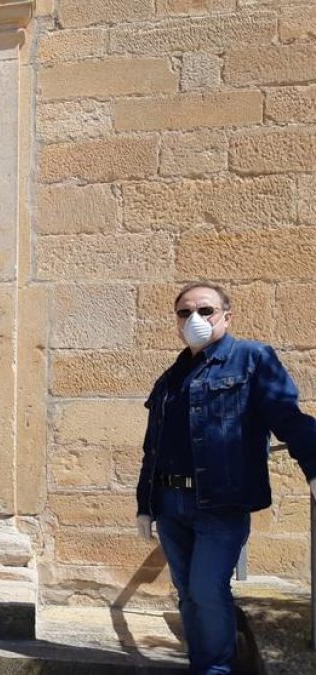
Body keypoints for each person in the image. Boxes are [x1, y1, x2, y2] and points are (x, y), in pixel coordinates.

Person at [136, 282, 316, 675]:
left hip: (220, 503)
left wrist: (314, 466)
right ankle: (203, 663)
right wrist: (144, 506)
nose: (194, 319)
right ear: (176, 322)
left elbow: (288, 418)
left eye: (205, 311)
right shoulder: (170, 379)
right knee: (187, 594)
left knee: (207, 589)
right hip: (170, 505)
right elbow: (153, 447)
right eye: (185, 313)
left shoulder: (251, 358)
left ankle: (216, 669)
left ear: (226, 317)